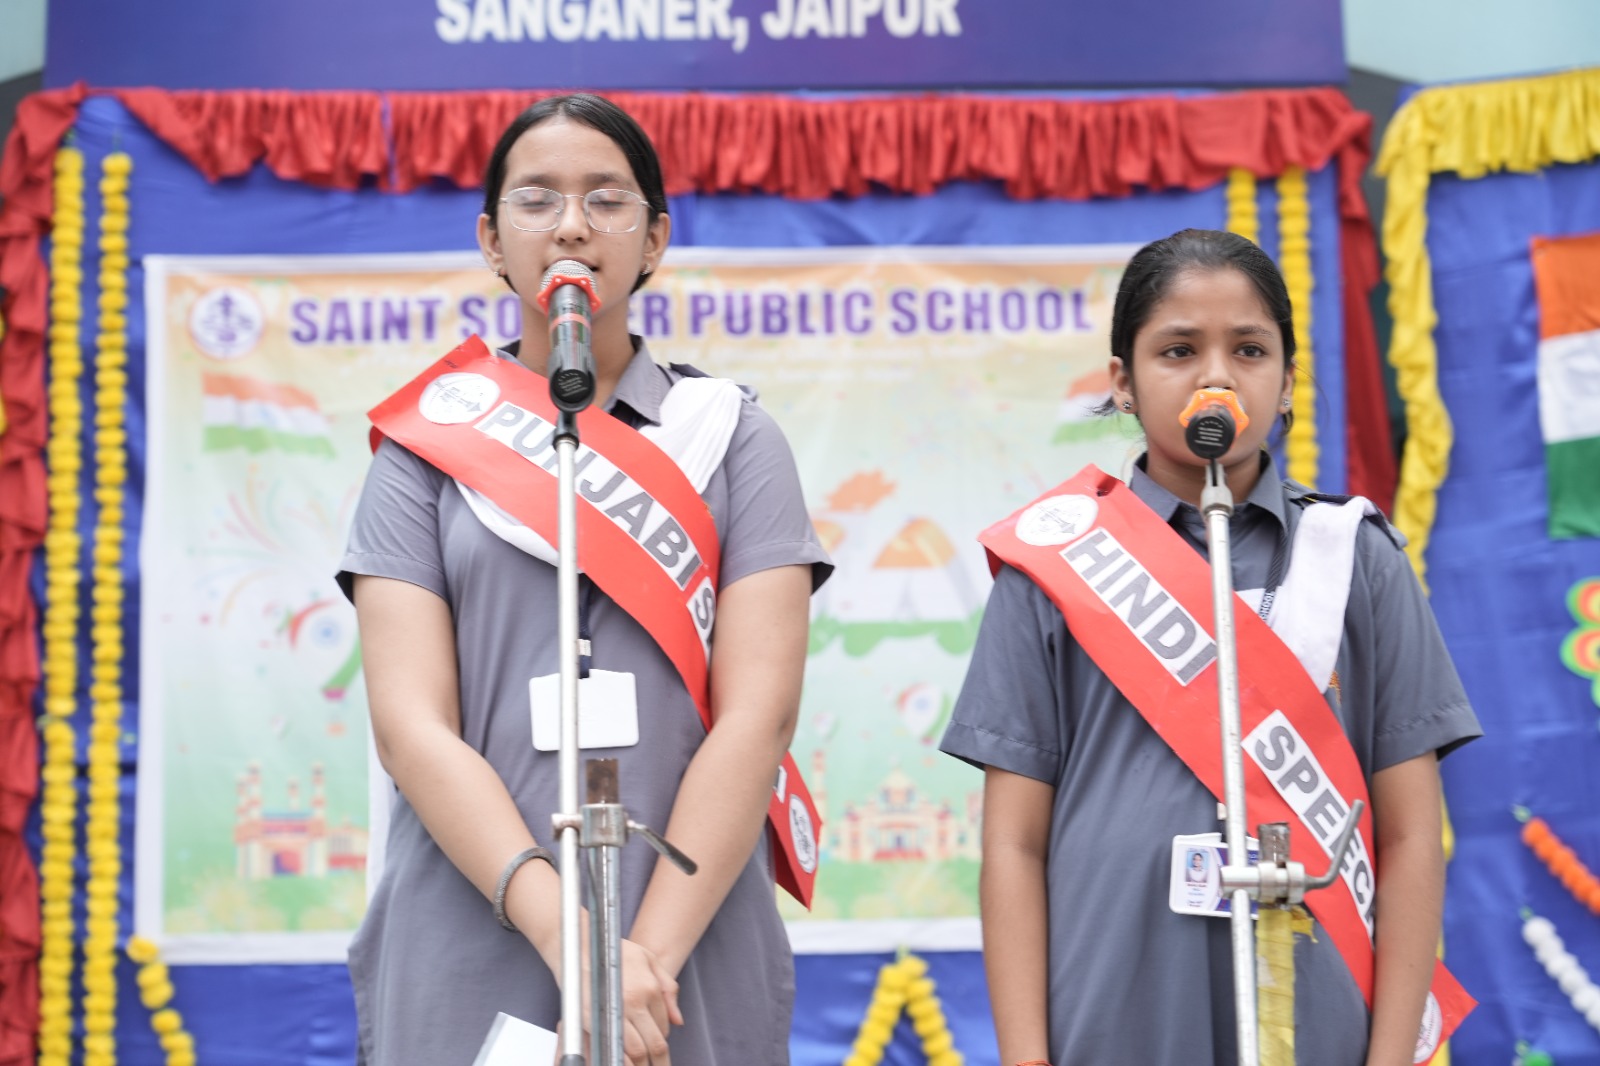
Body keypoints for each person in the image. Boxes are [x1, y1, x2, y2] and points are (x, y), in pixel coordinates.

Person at [339, 93, 831, 1066]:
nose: (571, 225)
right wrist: (569, 937)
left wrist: (638, 964)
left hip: (683, 925)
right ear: (492, 239)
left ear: (655, 240)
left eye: (606, 200)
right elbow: (410, 726)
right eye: (537, 200)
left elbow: (758, 717)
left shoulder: (732, 438)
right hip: (479, 905)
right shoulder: (423, 450)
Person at [939, 228, 1480, 1066]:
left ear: (1288, 381)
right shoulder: (1052, 565)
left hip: (1313, 1007)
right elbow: (1014, 844)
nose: (1216, 377)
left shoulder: (1355, 557)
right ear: (1123, 381)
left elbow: (1410, 834)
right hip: (1112, 1008)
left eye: (1250, 350)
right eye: (1179, 350)